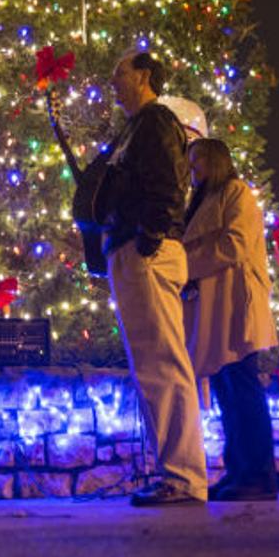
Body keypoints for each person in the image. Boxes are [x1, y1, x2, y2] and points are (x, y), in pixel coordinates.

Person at [97, 49, 205, 507]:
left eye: (119, 73)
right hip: (130, 250)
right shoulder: (134, 129)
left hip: (148, 252)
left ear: (143, 76)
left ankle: (184, 477)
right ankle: (173, 473)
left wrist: (150, 236)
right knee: (151, 366)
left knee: (163, 362)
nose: (113, 82)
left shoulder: (156, 121)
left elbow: (169, 182)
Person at [180, 137, 278, 502]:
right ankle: (238, 470)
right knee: (227, 390)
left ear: (216, 160)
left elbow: (235, 244)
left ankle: (259, 474)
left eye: (198, 160)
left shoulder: (236, 193)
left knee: (242, 388)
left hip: (234, 305)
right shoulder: (203, 202)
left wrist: (184, 267)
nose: (192, 168)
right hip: (214, 308)